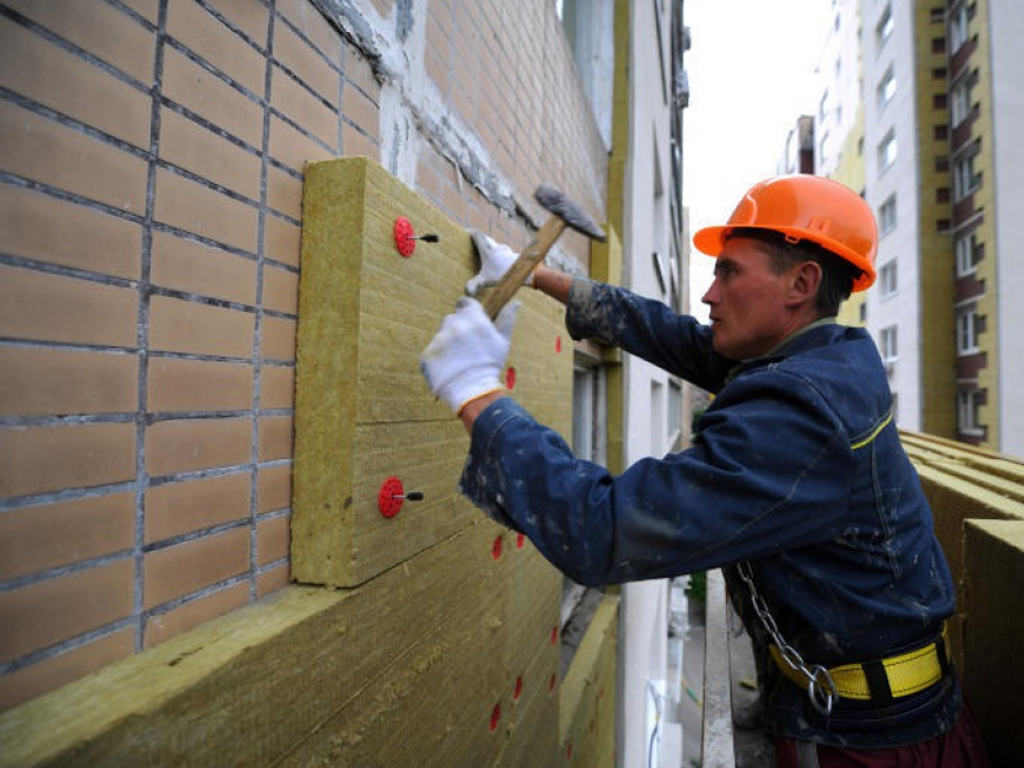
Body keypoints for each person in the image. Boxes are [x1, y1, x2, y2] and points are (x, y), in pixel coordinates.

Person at [420, 175, 990, 767]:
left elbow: (604, 529)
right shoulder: (822, 359)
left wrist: (475, 393)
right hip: (869, 708)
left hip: (874, 743)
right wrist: (536, 275)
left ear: (802, 282)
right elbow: (684, 340)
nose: (710, 295)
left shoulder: (802, 417)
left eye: (729, 272)